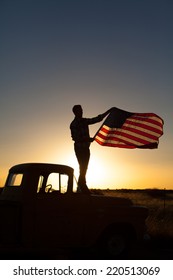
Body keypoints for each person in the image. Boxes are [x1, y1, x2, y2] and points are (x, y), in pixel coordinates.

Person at [70, 105, 111, 194]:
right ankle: (82, 185)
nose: (81, 112)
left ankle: (81, 186)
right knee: (83, 167)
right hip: (79, 148)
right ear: (75, 112)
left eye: (81, 110)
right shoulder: (74, 124)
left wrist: (108, 111)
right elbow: (75, 138)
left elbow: (97, 119)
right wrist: (88, 139)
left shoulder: (84, 121)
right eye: (79, 111)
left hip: (86, 148)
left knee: (84, 168)